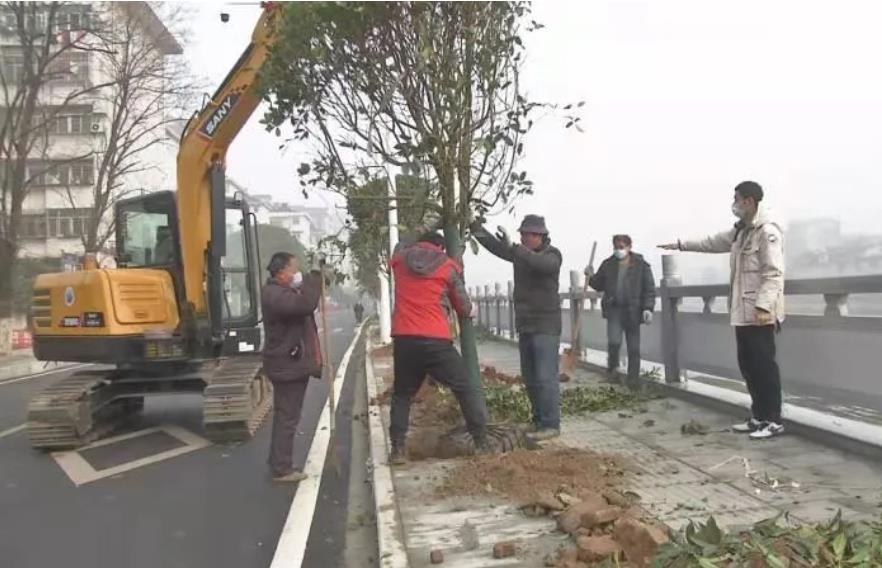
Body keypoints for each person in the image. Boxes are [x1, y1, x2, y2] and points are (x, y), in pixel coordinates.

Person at [659, 181, 785, 440]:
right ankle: (758, 416)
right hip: (742, 312)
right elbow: (711, 242)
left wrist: (764, 306)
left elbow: (773, 273)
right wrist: (681, 245)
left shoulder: (767, 231)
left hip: (760, 314)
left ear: (749, 201)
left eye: (737, 199)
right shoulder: (741, 231)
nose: (734, 204)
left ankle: (773, 420)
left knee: (764, 367)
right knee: (748, 365)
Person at [389, 232, 490, 464]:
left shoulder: (399, 261)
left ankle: (397, 449)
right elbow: (463, 305)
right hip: (435, 338)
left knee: (402, 394)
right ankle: (482, 442)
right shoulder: (447, 266)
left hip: (405, 338)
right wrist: (470, 311)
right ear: (441, 247)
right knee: (465, 387)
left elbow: (397, 247)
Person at [472, 215, 563, 441]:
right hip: (526, 325)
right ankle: (538, 420)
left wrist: (514, 247)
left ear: (539, 236)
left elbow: (540, 265)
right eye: (520, 234)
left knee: (545, 377)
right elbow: (495, 247)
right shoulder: (521, 254)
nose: (522, 238)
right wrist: (474, 226)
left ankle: (551, 424)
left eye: (526, 234)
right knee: (531, 377)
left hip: (546, 326)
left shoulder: (552, 255)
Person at [261, 251, 323, 482]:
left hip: (289, 361)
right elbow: (305, 304)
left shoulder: (281, 291)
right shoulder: (275, 295)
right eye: (294, 269)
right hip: (287, 364)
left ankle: (279, 463)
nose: (297, 274)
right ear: (281, 271)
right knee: (287, 416)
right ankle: (282, 468)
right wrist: (314, 275)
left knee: (286, 415)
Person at [586, 235, 656, 387]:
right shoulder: (608, 264)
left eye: (621, 247)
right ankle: (612, 373)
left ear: (629, 247)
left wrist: (648, 308)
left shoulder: (641, 265)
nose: (618, 250)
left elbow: (649, 289)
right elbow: (598, 284)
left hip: (633, 311)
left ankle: (633, 379)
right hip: (614, 310)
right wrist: (590, 276)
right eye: (616, 247)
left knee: (634, 347)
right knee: (614, 342)